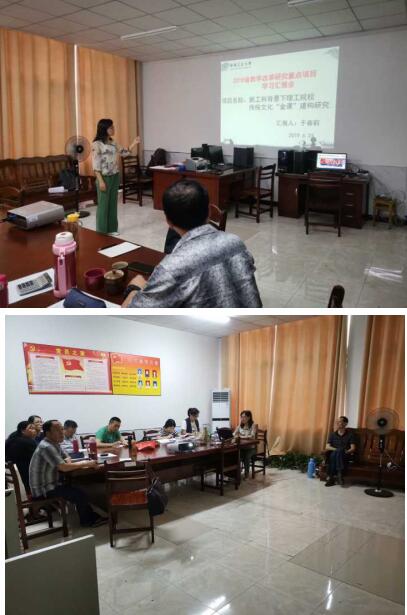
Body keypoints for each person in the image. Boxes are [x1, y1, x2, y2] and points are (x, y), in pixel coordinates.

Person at [122, 180, 262, 308]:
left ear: (168, 221)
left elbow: (130, 311)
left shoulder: (171, 268)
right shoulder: (235, 242)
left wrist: (134, 288)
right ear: (209, 211)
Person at [29, 420, 106, 527]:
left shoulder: (53, 443)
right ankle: (87, 521)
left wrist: (68, 462)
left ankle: (90, 515)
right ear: (47, 433)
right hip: (44, 489)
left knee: (79, 488)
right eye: (57, 430)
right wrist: (86, 463)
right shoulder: (46, 447)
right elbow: (64, 467)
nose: (61, 432)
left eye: (61, 429)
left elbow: (66, 457)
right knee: (80, 494)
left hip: (51, 483)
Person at [92, 119, 139, 235]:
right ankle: (101, 232)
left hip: (115, 176)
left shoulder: (113, 142)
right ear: (104, 129)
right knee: (103, 205)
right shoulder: (97, 144)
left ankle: (112, 229)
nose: (113, 129)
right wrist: (101, 181)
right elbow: (96, 165)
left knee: (113, 204)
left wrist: (134, 143)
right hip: (104, 177)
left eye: (113, 127)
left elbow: (124, 153)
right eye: (111, 127)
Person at [5, 421, 37, 493]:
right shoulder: (28, 442)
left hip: (19, 482)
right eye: (31, 428)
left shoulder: (12, 439)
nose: (34, 430)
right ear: (23, 431)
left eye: (34, 428)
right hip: (30, 482)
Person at [325, 416, 357, 487]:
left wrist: (346, 452)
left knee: (337, 453)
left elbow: (353, 448)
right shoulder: (332, 434)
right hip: (335, 453)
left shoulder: (350, 435)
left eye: (340, 422)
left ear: (345, 423)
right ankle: (340, 474)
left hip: (345, 454)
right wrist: (337, 450)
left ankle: (331, 478)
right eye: (337, 422)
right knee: (337, 452)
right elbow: (327, 447)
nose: (338, 423)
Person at [233, 411, 258, 479]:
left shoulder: (253, 425)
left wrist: (241, 436)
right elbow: (234, 434)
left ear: (249, 417)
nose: (242, 418)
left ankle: (246, 474)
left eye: (244, 417)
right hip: (242, 448)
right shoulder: (240, 425)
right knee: (234, 455)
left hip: (251, 448)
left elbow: (252, 436)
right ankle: (235, 474)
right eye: (241, 417)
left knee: (246, 457)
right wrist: (233, 435)